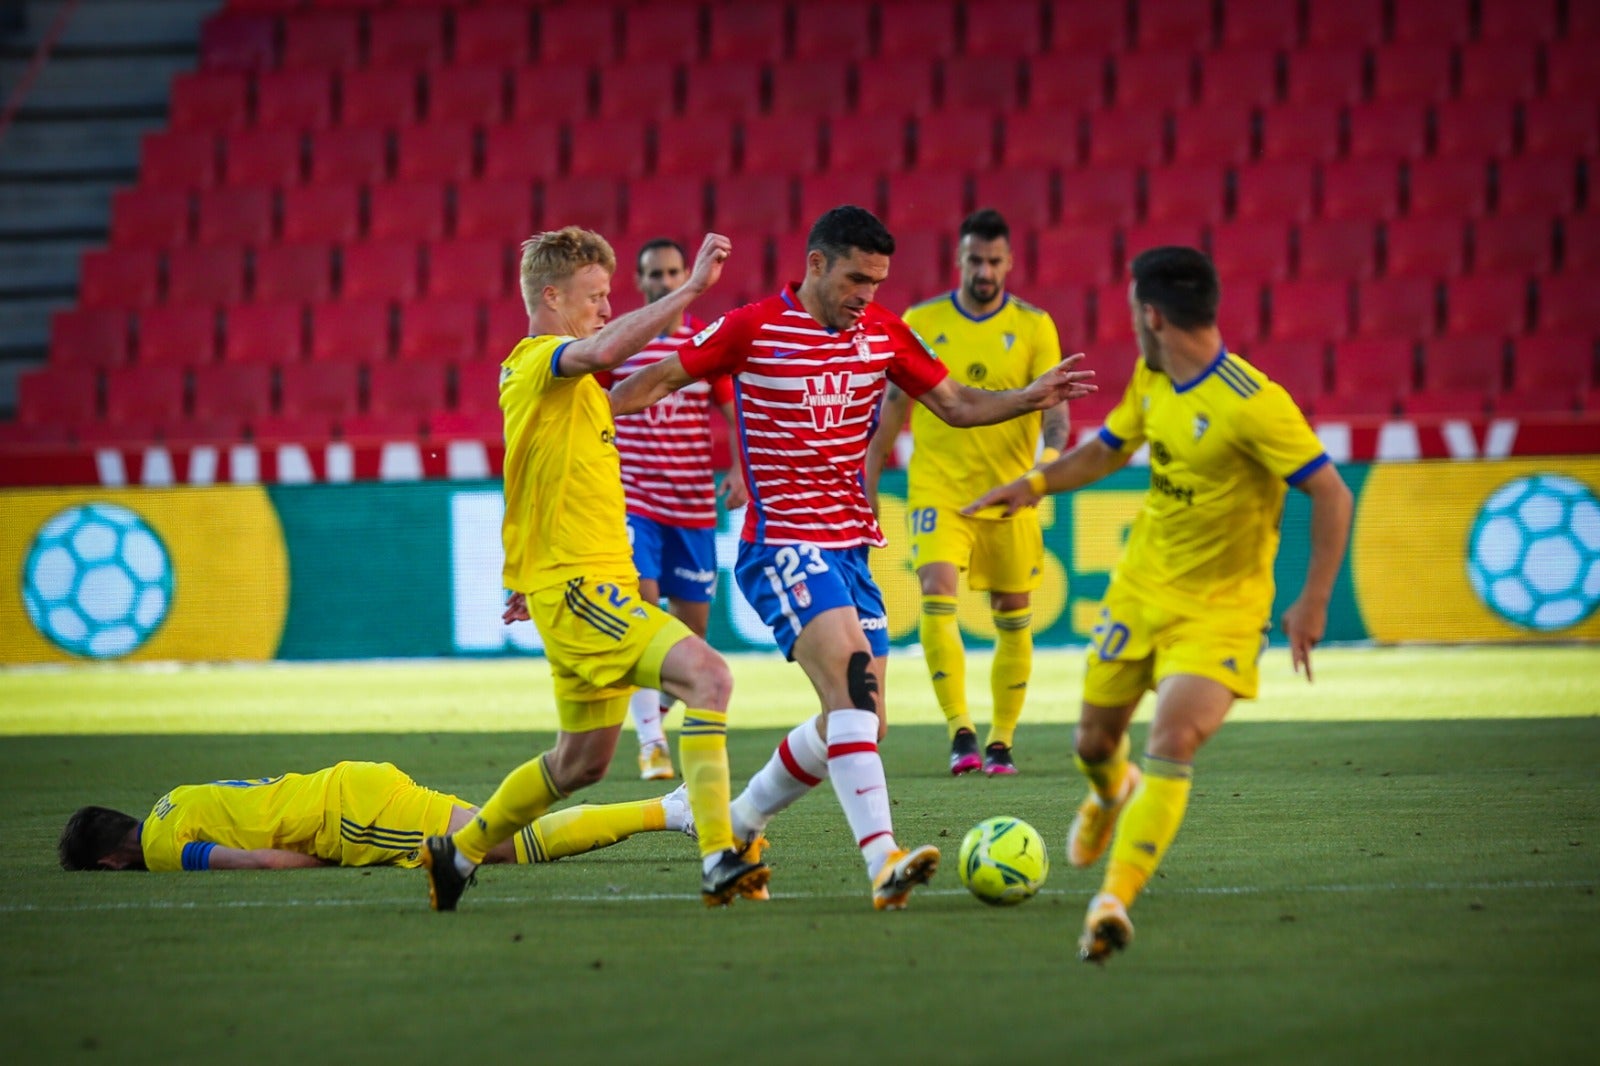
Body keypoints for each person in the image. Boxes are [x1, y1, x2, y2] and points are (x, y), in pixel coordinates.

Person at [609, 205, 1096, 909]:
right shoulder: (752, 328)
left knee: (861, 721)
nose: (867, 294)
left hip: (851, 551)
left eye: (876, 281)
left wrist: (1027, 398)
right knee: (851, 687)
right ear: (816, 265)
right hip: (782, 542)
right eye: (856, 279)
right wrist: (580, 423)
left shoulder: (884, 332)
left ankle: (738, 822)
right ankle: (883, 861)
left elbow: (956, 405)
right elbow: (649, 383)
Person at [964, 246, 1353, 963]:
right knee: (1092, 744)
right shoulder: (1153, 379)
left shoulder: (1253, 403)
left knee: (1173, 739)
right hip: (1140, 591)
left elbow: (1331, 492)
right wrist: (1035, 485)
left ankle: (1112, 901)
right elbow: (1110, 450)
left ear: (1151, 315)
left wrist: (1314, 599)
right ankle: (1113, 793)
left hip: (1221, 612)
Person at [420, 226, 768, 912]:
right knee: (710, 677)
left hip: (571, 585)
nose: (608, 308)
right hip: (583, 588)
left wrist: (706, 350)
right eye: (595, 295)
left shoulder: (571, 389)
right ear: (551, 297)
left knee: (580, 763)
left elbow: (624, 394)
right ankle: (717, 857)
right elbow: (607, 351)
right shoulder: (537, 361)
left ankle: (456, 855)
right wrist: (689, 293)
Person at [865, 208, 1069, 777]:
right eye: (975, 260)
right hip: (939, 489)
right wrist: (870, 477)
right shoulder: (922, 320)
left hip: (1008, 492)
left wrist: (1045, 470)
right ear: (959, 259)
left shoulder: (1035, 326)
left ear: (1009, 262)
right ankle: (960, 732)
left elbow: (1055, 413)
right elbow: (893, 406)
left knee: (1012, 611)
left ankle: (1001, 741)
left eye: (994, 261)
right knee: (936, 588)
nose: (984, 271)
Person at [595, 238, 747, 783]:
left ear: (686, 275)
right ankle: (652, 744)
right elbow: (591, 410)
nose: (663, 281)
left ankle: (650, 719)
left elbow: (735, 411)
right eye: (654, 273)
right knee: (644, 612)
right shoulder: (618, 347)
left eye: (671, 272)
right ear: (639, 282)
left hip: (693, 505)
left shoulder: (704, 342)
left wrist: (739, 469)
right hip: (635, 501)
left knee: (692, 633)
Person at [59, 760, 696, 871]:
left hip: (350, 816)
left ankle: (672, 811)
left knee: (504, 845)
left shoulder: (163, 848)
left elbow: (258, 861)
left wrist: (324, 862)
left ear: (109, 861)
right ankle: (671, 809)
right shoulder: (172, 797)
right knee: (498, 839)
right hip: (345, 790)